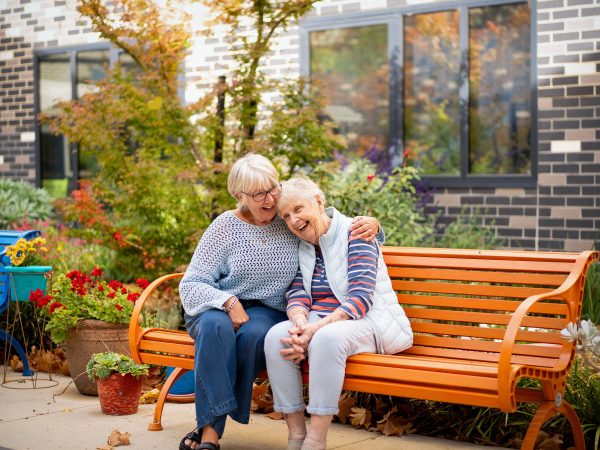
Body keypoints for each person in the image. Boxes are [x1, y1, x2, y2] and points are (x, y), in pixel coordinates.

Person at [178, 154, 382, 450]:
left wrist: (375, 226)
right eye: (259, 194)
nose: (270, 199)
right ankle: (209, 432)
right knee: (213, 329)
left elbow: (329, 223)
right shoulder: (225, 226)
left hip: (267, 311)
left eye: (273, 188)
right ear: (240, 196)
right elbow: (191, 283)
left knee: (254, 335)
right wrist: (227, 301)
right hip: (217, 304)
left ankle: (210, 422)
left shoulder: (290, 219)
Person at [264, 177, 413, 450]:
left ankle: (315, 439)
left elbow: (360, 299)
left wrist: (313, 330)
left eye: (298, 209)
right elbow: (297, 293)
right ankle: (296, 434)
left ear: (318, 201)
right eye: (286, 216)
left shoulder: (355, 233)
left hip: (368, 320)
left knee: (326, 339)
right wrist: (299, 324)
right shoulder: (302, 244)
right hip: (321, 321)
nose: (294, 220)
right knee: (276, 336)